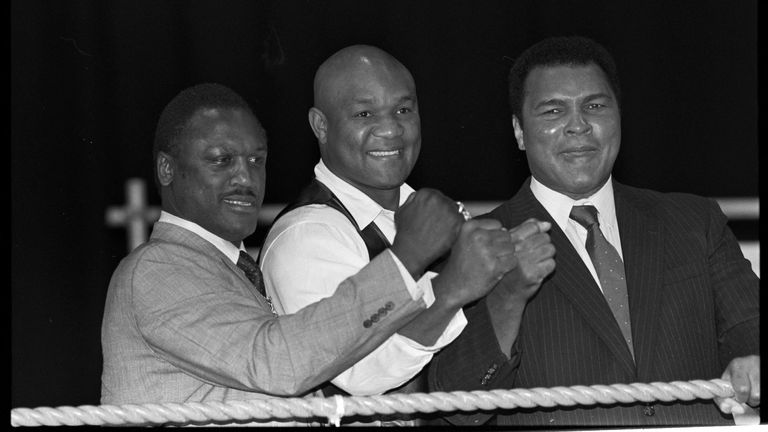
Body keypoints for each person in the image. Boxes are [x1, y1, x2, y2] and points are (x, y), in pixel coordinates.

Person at [100, 82, 522, 426]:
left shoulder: (229, 268)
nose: (245, 176)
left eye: (256, 159)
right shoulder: (157, 267)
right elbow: (279, 364)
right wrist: (406, 258)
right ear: (167, 170)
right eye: (221, 160)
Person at [428, 36, 760, 426]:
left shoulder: (693, 220)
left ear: (619, 116)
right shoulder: (476, 244)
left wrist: (751, 366)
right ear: (519, 131)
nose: (578, 126)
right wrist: (507, 296)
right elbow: (454, 410)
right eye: (553, 111)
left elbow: (749, 328)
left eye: (595, 106)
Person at [259, 45, 556, 425]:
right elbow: (360, 373)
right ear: (321, 125)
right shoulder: (306, 236)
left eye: (403, 109)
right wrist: (451, 289)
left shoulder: (429, 210)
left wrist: (507, 291)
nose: (390, 129)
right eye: (364, 113)